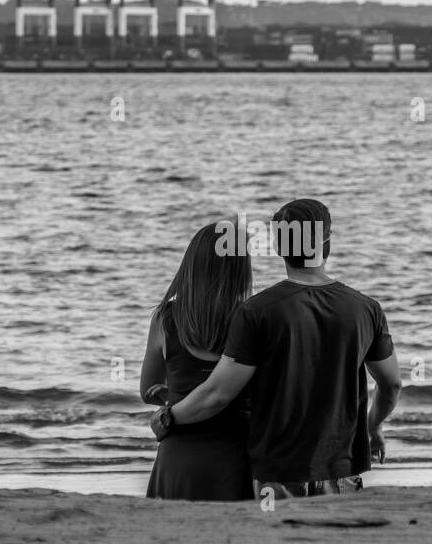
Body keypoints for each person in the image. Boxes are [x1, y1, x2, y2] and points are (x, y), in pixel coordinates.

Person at [151, 199, 401, 498]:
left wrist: (169, 416)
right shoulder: (366, 309)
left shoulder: (258, 312)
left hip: (280, 472)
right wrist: (373, 427)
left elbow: (218, 393)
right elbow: (392, 384)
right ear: (327, 243)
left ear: (280, 248)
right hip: (343, 467)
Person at [141, 221, 255, 501]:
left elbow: (148, 391)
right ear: (241, 271)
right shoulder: (254, 320)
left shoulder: (165, 319)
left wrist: (176, 400)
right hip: (237, 457)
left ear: (192, 265)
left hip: (179, 455)